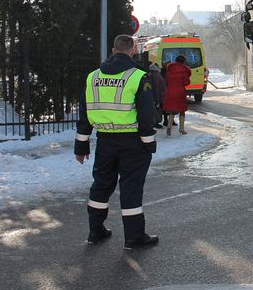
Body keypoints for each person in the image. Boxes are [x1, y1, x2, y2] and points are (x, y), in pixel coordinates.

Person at [75, 34, 159, 250]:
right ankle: (134, 237)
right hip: (132, 142)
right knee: (131, 188)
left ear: (113, 50)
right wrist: (149, 142)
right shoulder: (138, 77)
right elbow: (146, 114)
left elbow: (84, 113)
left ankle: (95, 231)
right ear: (133, 50)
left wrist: (81, 145)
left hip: (105, 140)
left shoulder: (93, 77)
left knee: (101, 184)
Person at [163, 54, 191, 136]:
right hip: (180, 91)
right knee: (182, 110)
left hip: (170, 91)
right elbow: (186, 82)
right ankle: (181, 129)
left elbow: (166, 80)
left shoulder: (169, 69)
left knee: (172, 110)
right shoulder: (184, 71)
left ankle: (169, 127)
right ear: (183, 62)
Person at [147, 63, 166, 130]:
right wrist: (157, 98)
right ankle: (155, 122)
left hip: (157, 95)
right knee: (156, 110)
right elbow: (156, 87)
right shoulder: (156, 75)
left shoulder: (153, 74)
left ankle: (155, 122)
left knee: (156, 109)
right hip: (158, 95)